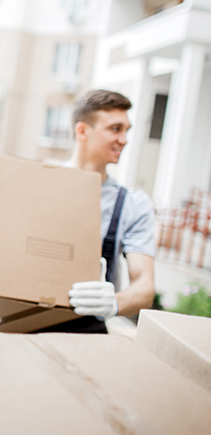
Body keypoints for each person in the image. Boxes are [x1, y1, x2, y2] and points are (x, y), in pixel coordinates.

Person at [44, 89, 156, 333]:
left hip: (88, 333)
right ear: (83, 131)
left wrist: (114, 302)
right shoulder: (40, 185)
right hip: (21, 323)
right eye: (115, 129)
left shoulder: (133, 204)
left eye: (127, 130)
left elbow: (145, 288)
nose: (124, 139)